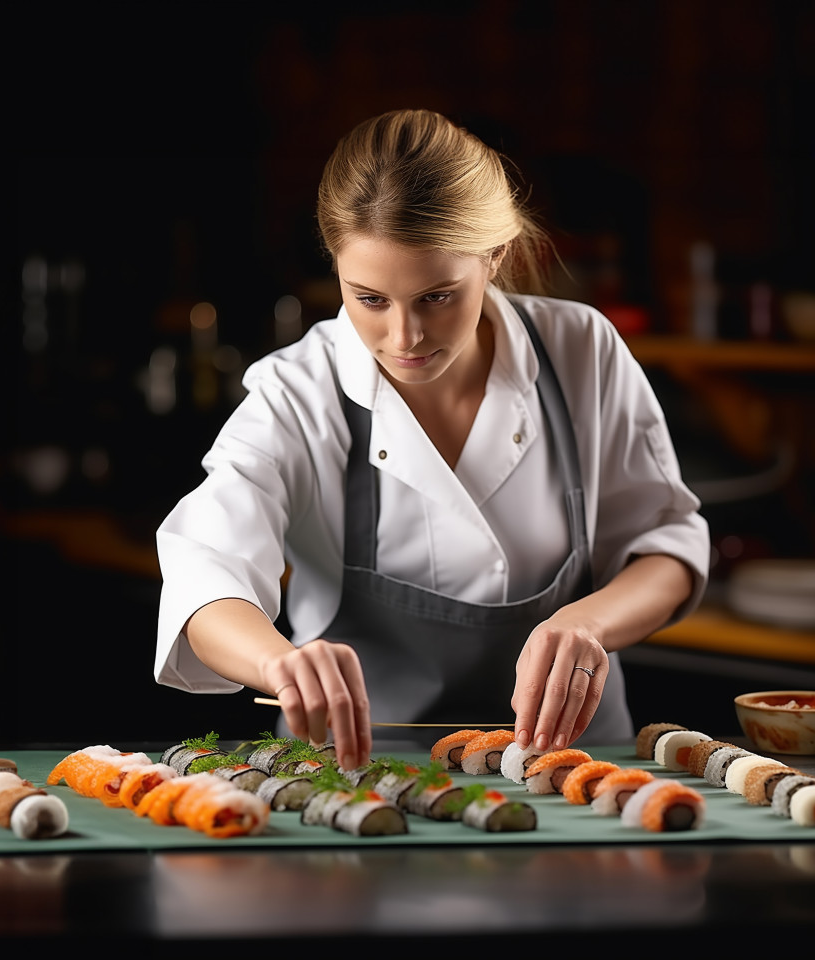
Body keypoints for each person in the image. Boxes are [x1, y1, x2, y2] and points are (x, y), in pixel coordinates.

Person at [154, 109, 710, 771]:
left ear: (495, 256)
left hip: (576, 770)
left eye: (437, 297)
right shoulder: (299, 390)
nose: (404, 337)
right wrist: (277, 661)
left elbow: (667, 546)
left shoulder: (580, 349)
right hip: (359, 783)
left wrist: (586, 621)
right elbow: (206, 570)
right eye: (370, 299)